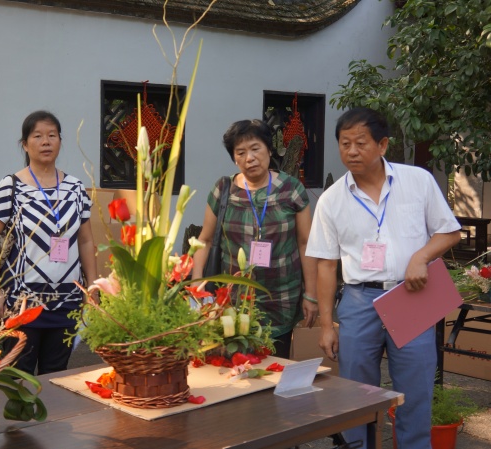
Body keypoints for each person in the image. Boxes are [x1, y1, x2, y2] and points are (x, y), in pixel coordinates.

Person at [306, 107, 461, 448]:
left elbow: (450, 232)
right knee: (354, 394)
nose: (352, 151)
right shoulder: (331, 200)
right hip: (359, 300)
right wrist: (327, 325)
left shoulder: (417, 181)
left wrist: (421, 256)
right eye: (344, 143)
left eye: (361, 143)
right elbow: (326, 265)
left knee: (415, 390)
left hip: (411, 296)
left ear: (383, 145)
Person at [0, 110, 97, 375]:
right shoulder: (11, 186)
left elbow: (86, 241)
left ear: (60, 141)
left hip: (66, 301)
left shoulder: (76, 189)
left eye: (52, 135)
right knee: (18, 377)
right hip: (22, 303)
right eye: (38, 136)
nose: (46, 142)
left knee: (56, 375)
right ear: (25, 144)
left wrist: (92, 289)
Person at [191, 119, 318, 359]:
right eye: (241, 152)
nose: (249, 158)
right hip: (232, 301)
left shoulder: (291, 190)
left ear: (269, 150)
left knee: (275, 365)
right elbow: (205, 240)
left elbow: (305, 243)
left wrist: (311, 294)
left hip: (281, 298)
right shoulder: (223, 189)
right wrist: (198, 289)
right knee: (234, 365)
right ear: (234, 159)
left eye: (255, 148)